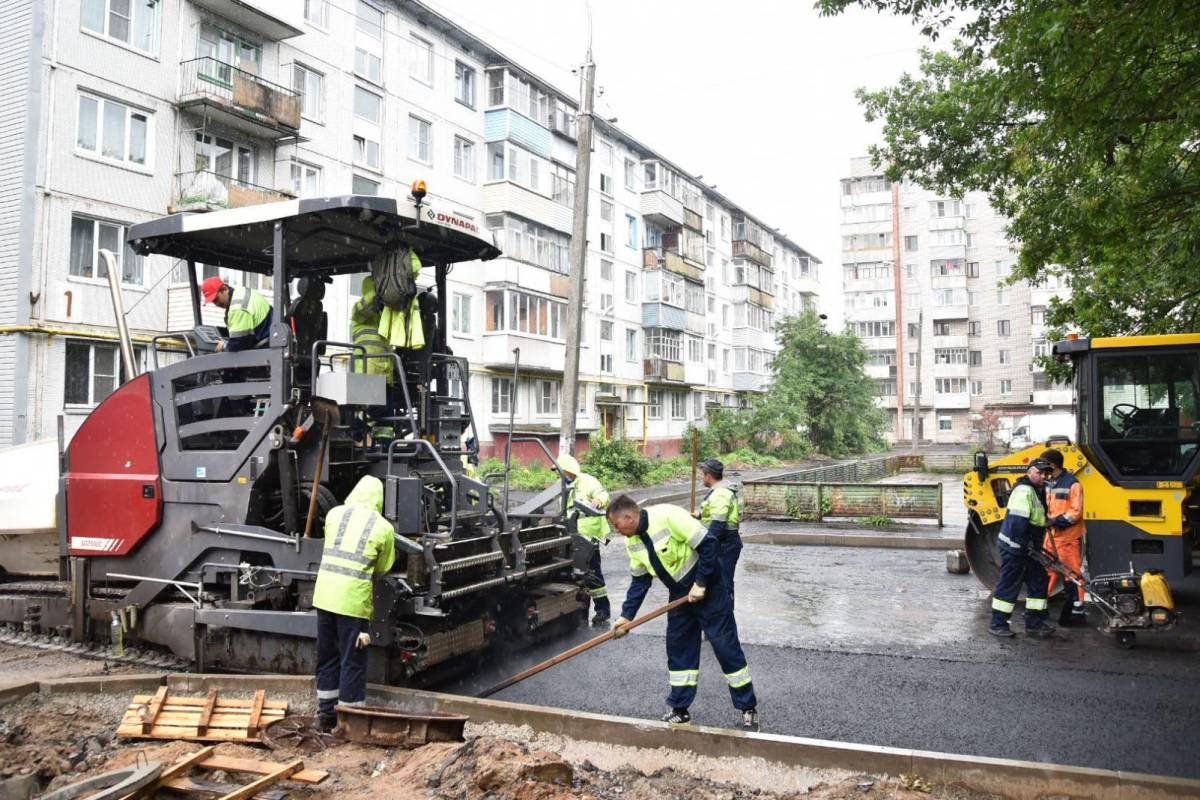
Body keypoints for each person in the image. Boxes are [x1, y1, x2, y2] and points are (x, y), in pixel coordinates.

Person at [607, 495, 759, 730]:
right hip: (679, 595)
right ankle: (680, 709)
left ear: (629, 517)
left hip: (710, 587)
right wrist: (627, 616)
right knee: (679, 649)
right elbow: (639, 582)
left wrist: (701, 583)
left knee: (725, 647)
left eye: (616, 525)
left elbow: (709, 544)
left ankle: (748, 708)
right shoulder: (632, 543)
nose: (616, 531)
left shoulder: (668, 515)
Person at [312, 476, 397, 731]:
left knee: (327, 656)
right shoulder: (383, 528)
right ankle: (350, 719)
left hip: (325, 598)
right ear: (379, 500)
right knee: (352, 660)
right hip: (353, 604)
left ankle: (326, 715)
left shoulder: (335, 515)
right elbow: (383, 568)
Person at [989, 458, 1056, 638]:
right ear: (1029, 472)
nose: (1043, 476)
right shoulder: (1023, 491)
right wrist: (1025, 544)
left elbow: (1035, 517)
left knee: (1039, 580)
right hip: (1015, 547)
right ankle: (998, 624)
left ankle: (1034, 623)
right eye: (1039, 472)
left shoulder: (1035, 490)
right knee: (1010, 584)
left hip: (1028, 547)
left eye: (1045, 473)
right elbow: (1018, 523)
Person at [557, 454, 612, 625]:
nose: (561, 476)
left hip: (590, 537)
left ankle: (603, 610)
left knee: (593, 573)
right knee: (577, 575)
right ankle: (582, 611)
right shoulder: (562, 486)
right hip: (572, 536)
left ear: (570, 471)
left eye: (563, 472)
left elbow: (604, 496)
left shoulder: (588, 482)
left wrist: (598, 501)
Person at [1040, 448, 1088, 626]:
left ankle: (1078, 609)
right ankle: (1040, 605)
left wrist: (1055, 522)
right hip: (1051, 537)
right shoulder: (1050, 482)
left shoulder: (1073, 484)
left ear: (1052, 465)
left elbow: (1075, 513)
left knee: (1072, 574)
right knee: (1048, 571)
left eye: (1044, 465)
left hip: (1067, 537)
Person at [695, 459, 743, 607]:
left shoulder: (720, 493)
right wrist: (700, 515)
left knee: (723, 583)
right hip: (724, 542)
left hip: (725, 544)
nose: (702, 478)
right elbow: (717, 516)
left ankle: (726, 618)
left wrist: (706, 546)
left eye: (702, 475)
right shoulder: (719, 492)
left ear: (708, 476)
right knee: (719, 581)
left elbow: (718, 524)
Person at [201, 276, 272, 353]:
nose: (216, 304)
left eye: (216, 299)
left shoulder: (237, 308)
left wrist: (224, 345)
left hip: (265, 346)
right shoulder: (240, 292)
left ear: (224, 289)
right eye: (213, 302)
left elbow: (239, 343)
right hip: (268, 336)